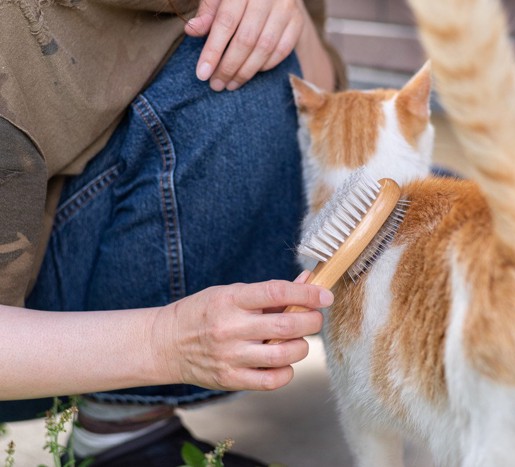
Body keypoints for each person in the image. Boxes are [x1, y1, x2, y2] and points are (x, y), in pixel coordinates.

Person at [0, 0, 346, 464]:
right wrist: (162, 341)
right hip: (24, 357)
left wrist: (283, 20)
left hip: (66, 245)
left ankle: (124, 429)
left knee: (246, 48)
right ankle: (119, 431)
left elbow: (320, 99)